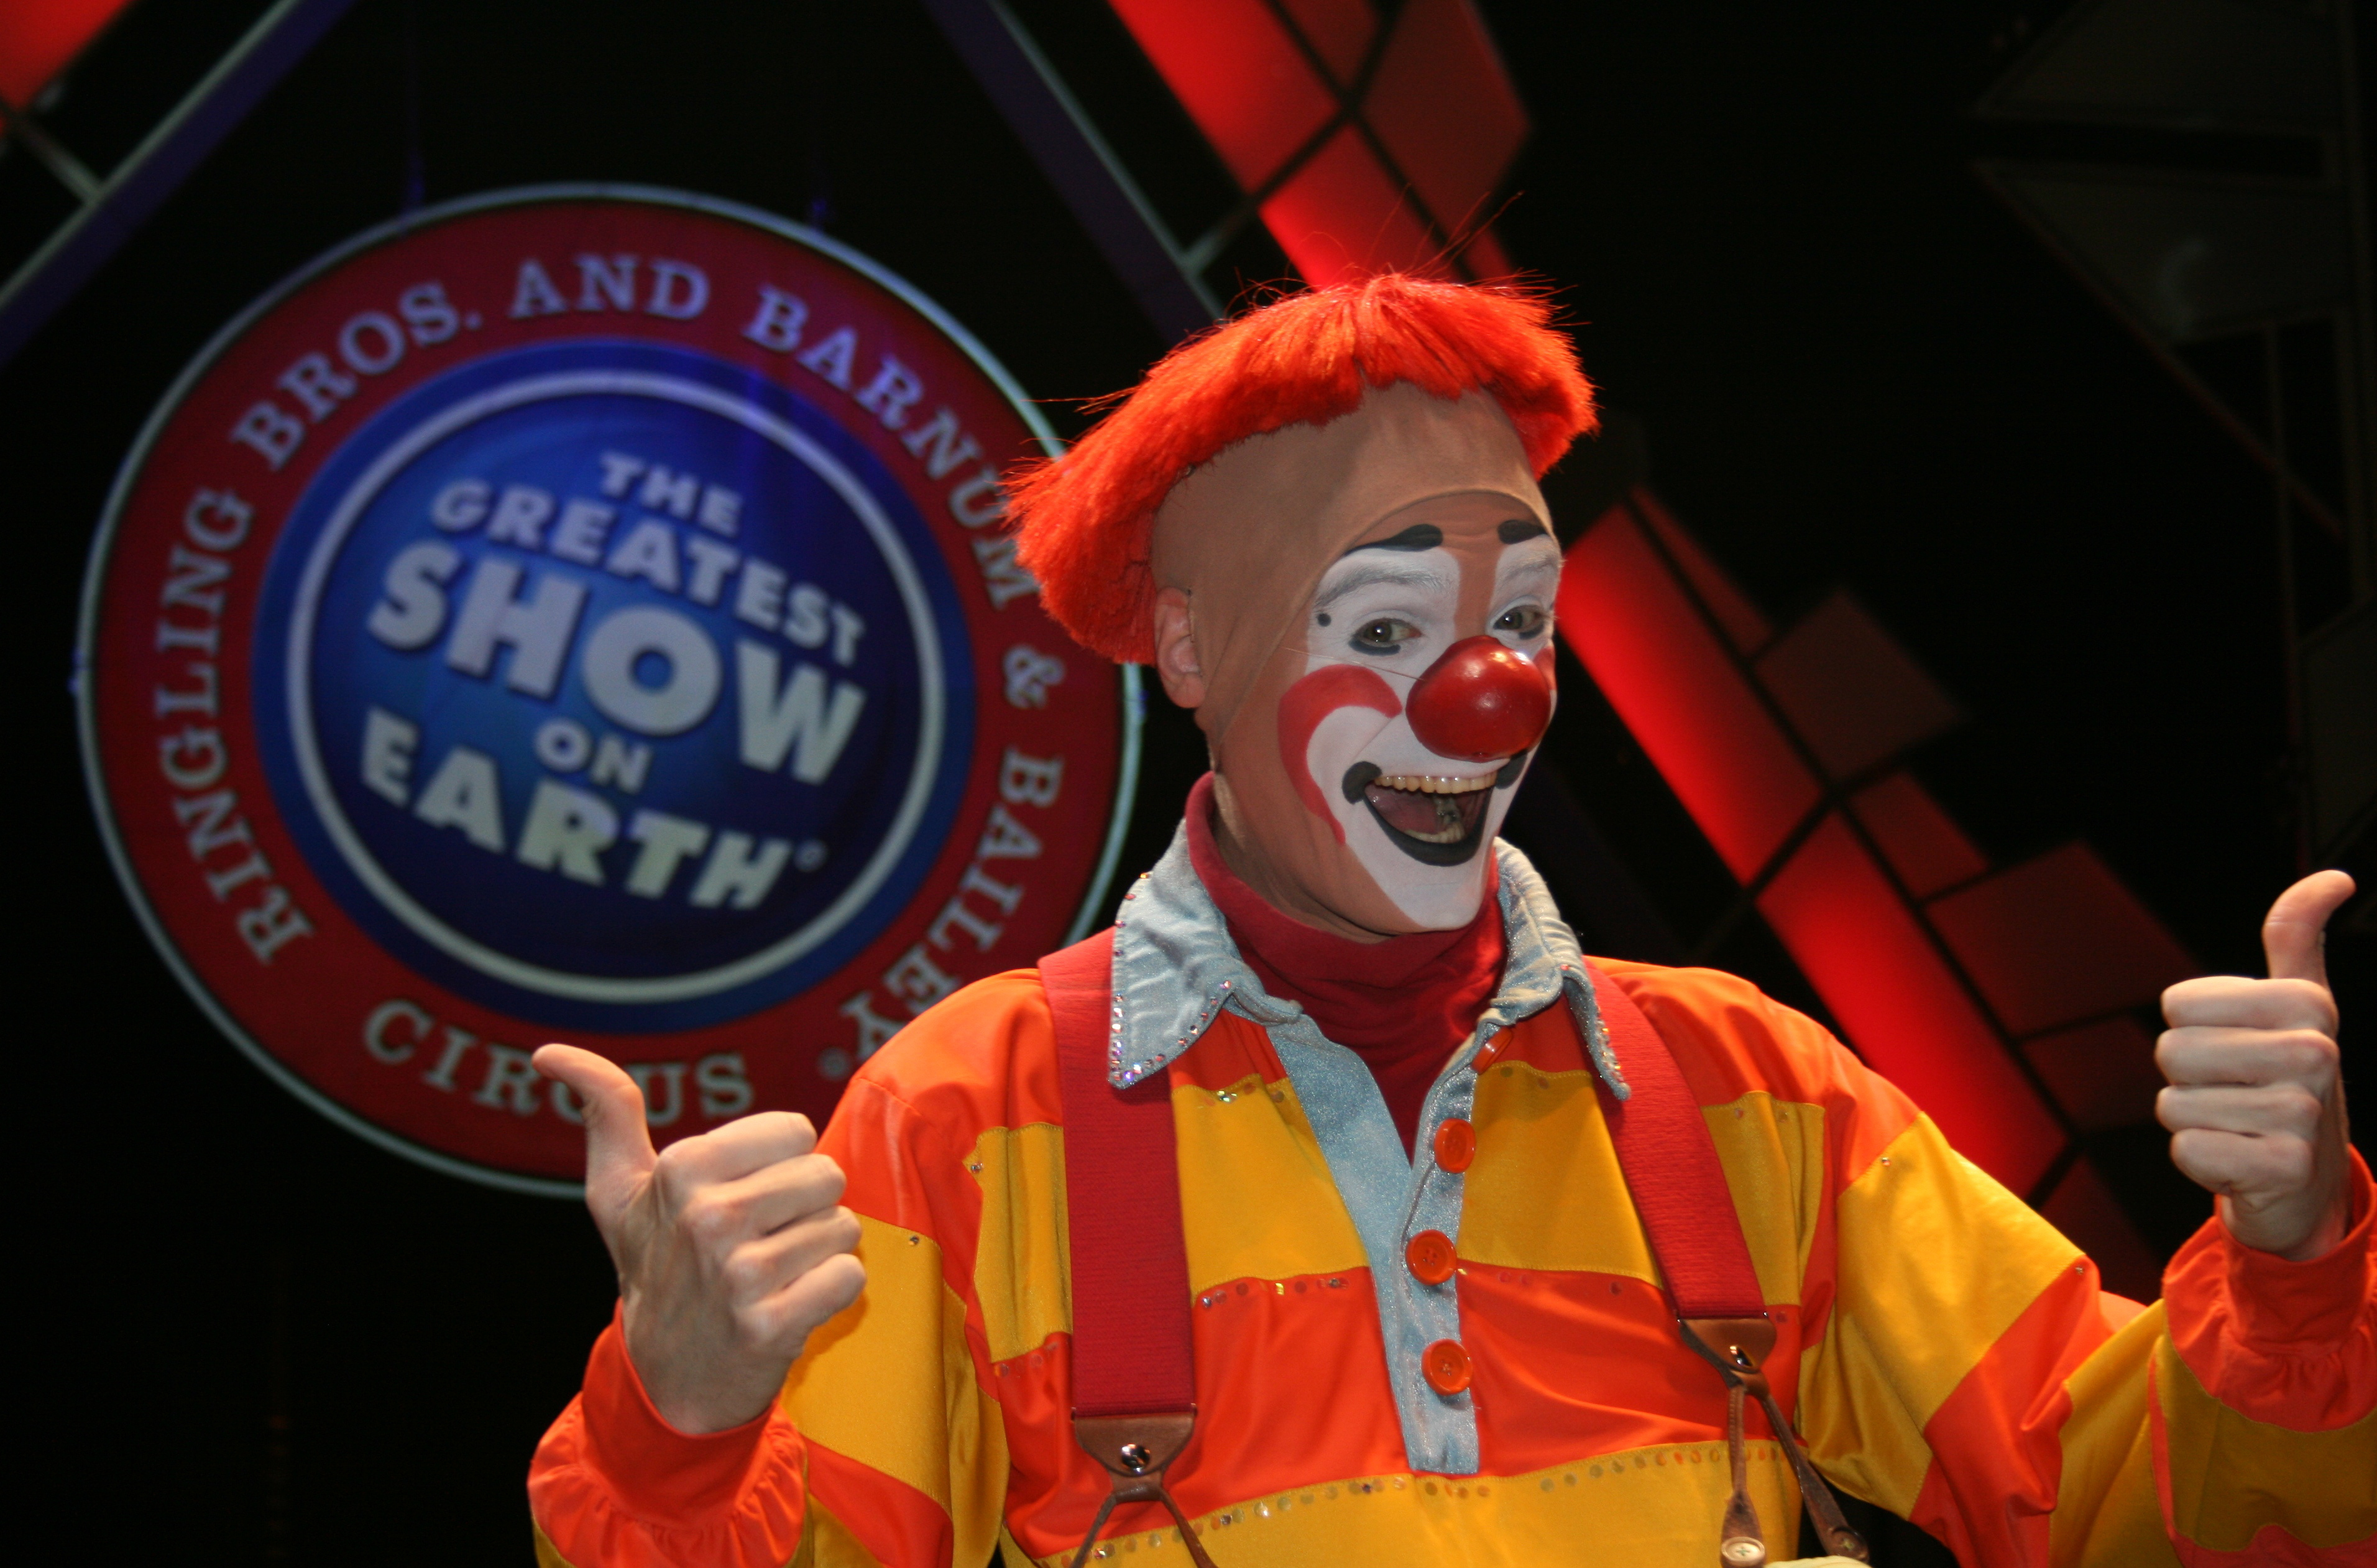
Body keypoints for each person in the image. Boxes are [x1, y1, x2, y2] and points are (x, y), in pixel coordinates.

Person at [526, 276, 2373, 1567]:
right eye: (1386, 630)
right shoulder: (969, 1117)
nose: (1487, 696)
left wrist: (2292, 1266)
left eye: (1520, 623)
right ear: (1196, 651)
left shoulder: (1747, 1087)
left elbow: (2129, 1509)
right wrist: (671, 1434)